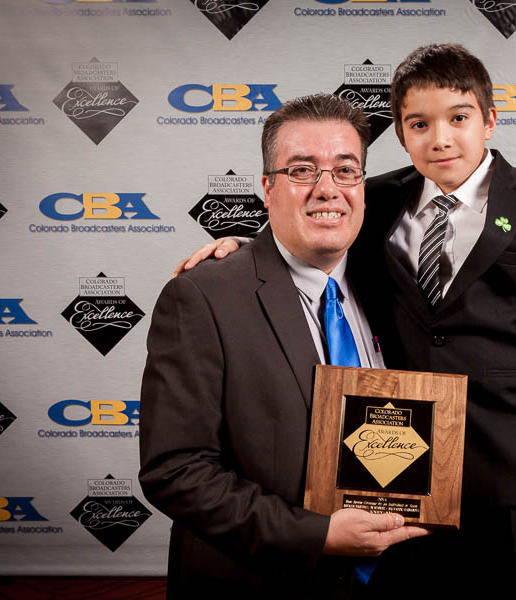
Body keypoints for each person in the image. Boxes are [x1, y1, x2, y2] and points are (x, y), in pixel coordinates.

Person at [176, 44, 516, 597]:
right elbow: (310, 228)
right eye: (419, 124)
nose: (440, 139)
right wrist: (243, 249)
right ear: (402, 134)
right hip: (406, 470)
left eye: (458, 118)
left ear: (489, 120)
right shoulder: (378, 198)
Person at [139, 93, 429, 599]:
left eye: (346, 171)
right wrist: (317, 535)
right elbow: (175, 470)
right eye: (302, 170)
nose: (327, 189)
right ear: (267, 188)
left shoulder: (392, 284)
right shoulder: (203, 297)